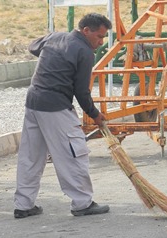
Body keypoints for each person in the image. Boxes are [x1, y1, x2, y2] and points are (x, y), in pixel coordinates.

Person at [13, 13, 112, 218]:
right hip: (55, 107)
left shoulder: (54, 37)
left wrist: (53, 58)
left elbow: (33, 46)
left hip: (33, 103)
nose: (101, 42)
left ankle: (23, 205)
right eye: (99, 36)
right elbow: (81, 91)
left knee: (31, 156)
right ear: (86, 31)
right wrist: (95, 115)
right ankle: (83, 203)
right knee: (72, 154)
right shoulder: (84, 51)